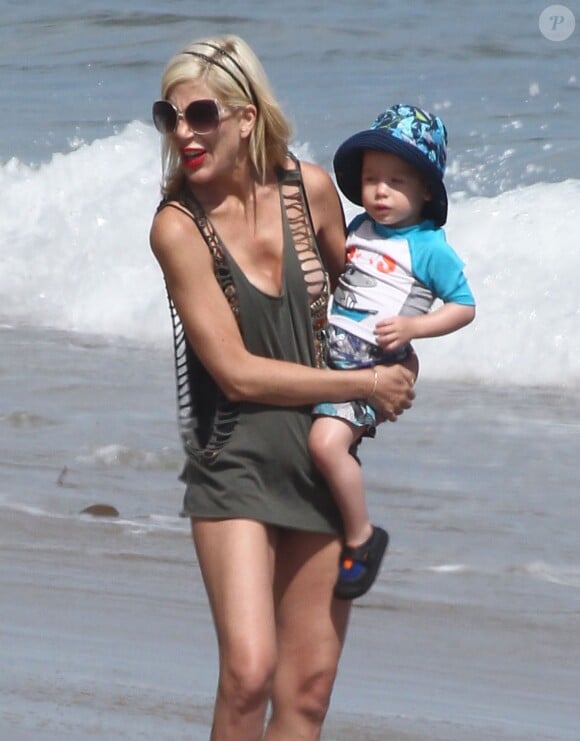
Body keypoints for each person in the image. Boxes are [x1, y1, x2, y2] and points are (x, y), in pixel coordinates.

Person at [149, 36, 416, 740]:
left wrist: (400, 356)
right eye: (169, 118)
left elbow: (369, 296)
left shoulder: (311, 190)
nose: (184, 134)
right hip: (234, 456)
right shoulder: (177, 227)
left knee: (307, 691)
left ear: (245, 116)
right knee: (248, 673)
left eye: (200, 114)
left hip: (320, 456)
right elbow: (234, 371)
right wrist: (359, 379)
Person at [308, 104, 476, 601]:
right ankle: (328, 525)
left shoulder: (429, 249)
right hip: (330, 359)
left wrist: (413, 329)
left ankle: (361, 537)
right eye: (371, 179)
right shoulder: (359, 228)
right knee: (311, 445)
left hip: (371, 369)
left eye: (396, 181)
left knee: (325, 445)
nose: (380, 192)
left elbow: (464, 307)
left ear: (425, 189)